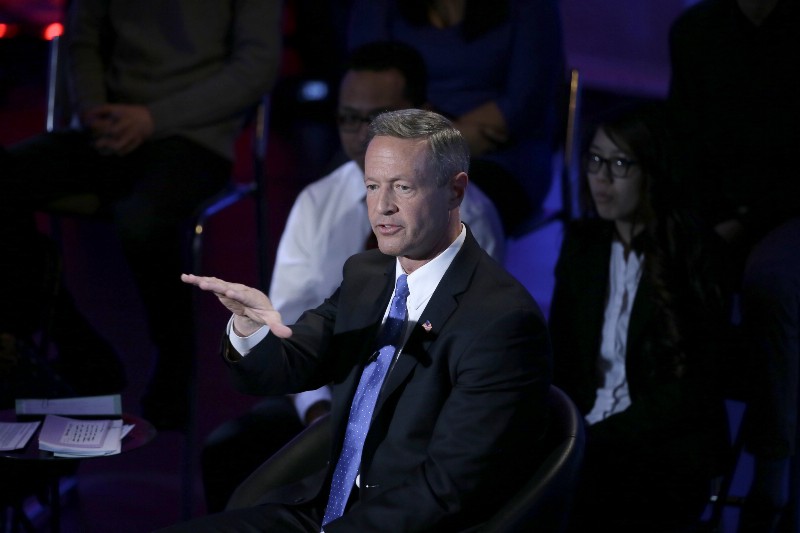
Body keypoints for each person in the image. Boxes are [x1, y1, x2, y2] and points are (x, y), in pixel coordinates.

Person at [172, 108, 551, 531]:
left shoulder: (502, 321)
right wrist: (250, 330)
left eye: (403, 187)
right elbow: (295, 361)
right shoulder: (367, 274)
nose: (382, 207)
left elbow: (447, 490)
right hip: (320, 509)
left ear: (454, 191)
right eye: (372, 186)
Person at [199, 40, 506, 513]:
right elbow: (299, 332)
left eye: (378, 118)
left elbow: (457, 360)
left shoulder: (465, 217)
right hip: (323, 400)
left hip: (416, 414)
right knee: (230, 452)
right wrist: (314, 404)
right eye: (348, 117)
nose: (362, 135)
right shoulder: (317, 203)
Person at [0, 0, 282, 429]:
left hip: (195, 134)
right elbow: (83, 38)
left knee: (143, 221)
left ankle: (174, 363)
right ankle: (74, 348)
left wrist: (153, 119)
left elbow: (256, 65)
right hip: (108, 126)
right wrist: (94, 111)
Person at [547, 105, 733, 532]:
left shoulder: (693, 253)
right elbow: (562, 356)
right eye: (594, 160)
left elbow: (692, 389)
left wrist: (599, 438)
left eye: (619, 163)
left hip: (661, 448)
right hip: (589, 432)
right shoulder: (583, 245)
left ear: (652, 170)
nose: (601, 177)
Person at [668, 1, 800, 529]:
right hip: (717, 211)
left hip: (788, 211)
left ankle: (772, 474)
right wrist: (703, 219)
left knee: (771, 284)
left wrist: (746, 218)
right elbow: (683, 140)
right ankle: (683, 461)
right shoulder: (697, 30)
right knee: (668, 270)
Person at [347, 0, 564, 235]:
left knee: (436, 204)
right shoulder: (380, 8)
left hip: (499, 154)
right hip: (403, 139)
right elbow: (365, 82)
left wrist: (433, 142)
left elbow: (525, 103)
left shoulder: (531, 8)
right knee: (345, 188)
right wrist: (445, 139)